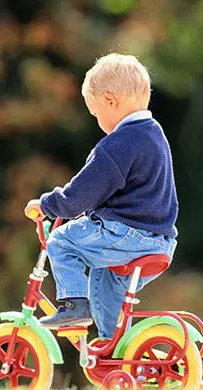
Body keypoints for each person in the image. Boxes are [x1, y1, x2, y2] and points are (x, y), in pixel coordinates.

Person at [24, 53, 178, 339]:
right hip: (160, 241)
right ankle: (115, 353)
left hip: (126, 235)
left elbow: (79, 196)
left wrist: (47, 204)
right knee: (103, 284)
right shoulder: (155, 135)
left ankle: (74, 305)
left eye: (96, 114)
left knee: (61, 241)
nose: (97, 121)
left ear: (110, 101)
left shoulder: (117, 145)